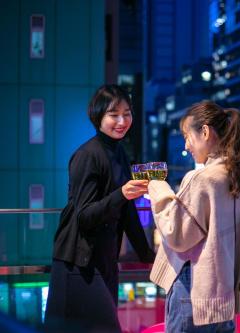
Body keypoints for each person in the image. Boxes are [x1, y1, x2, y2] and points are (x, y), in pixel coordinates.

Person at [44, 84, 155, 332]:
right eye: (113, 114)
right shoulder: (87, 155)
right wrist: (122, 194)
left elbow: (127, 214)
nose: (122, 120)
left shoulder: (120, 154)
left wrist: (147, 255)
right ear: (98, 116)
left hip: (104, 259)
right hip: (79, 262)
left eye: (127, 113)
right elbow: (84, 216)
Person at [147, 100, 240, 332]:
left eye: (187, 136)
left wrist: (157, 188)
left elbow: (177, 235)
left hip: (193, 287)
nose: (186, 145)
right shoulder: (237, 179)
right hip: (222, 291)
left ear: (205, 132)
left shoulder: (202, 179)